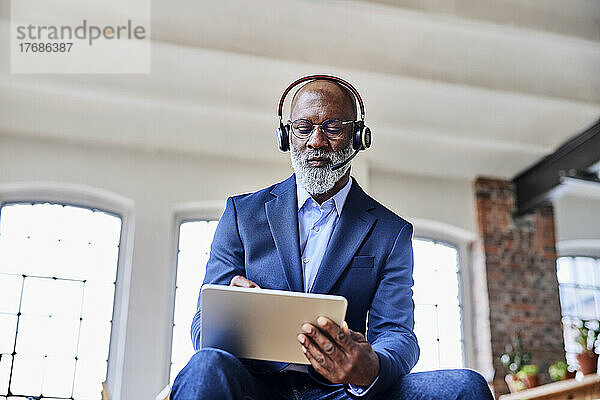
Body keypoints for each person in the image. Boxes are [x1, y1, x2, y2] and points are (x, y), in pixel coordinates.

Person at [171, 76, 493, 400]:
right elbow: (202, 326)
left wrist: (369, 366)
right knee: (204, 366)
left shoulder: (390, 233)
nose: (316, 141)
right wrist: (228, 318)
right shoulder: (241, 214)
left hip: (343, 392)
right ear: (286, 136)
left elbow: (397, 333)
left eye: (333, 127)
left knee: (466, 387)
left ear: (357, 137)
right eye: (303, 127)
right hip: (256, 388)